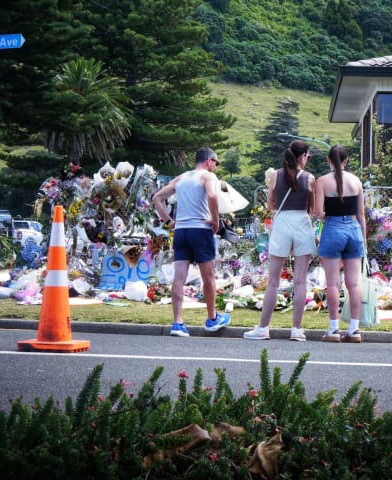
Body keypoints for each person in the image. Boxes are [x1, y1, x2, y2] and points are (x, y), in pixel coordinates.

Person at [151, 147, 231, 337]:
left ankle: (178, 322)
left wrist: (169, 221)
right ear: (209, 161)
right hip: (200, 229)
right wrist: (215, 219)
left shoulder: (181, 178)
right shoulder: (208, 177)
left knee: (179, 277)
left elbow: (157, 198)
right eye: (216, 163)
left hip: (181, 231)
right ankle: (212, 318)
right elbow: (212, 195)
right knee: (208, 276)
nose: (216, 167)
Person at [243, 140, 315, 341]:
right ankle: (296, 329)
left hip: (282, 221)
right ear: (303, 157)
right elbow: (311, 208)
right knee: (300, 280)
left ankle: (263, 327)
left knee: (273, 280)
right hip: (302, 221)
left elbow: (271, 205)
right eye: (308, 156)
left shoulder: (276, 175)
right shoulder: (310, 178)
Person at [313, 144, 367, 343]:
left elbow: (319, 212)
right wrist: (364, 238)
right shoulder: (356, 180)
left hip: (333, 228)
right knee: (354, 283)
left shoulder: (322, 181)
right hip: (354, 228)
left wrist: (329, 218)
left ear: (328, 160)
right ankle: (354, 329)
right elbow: (361, 214)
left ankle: (334, 328)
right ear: (346, 161)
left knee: (333, 283)